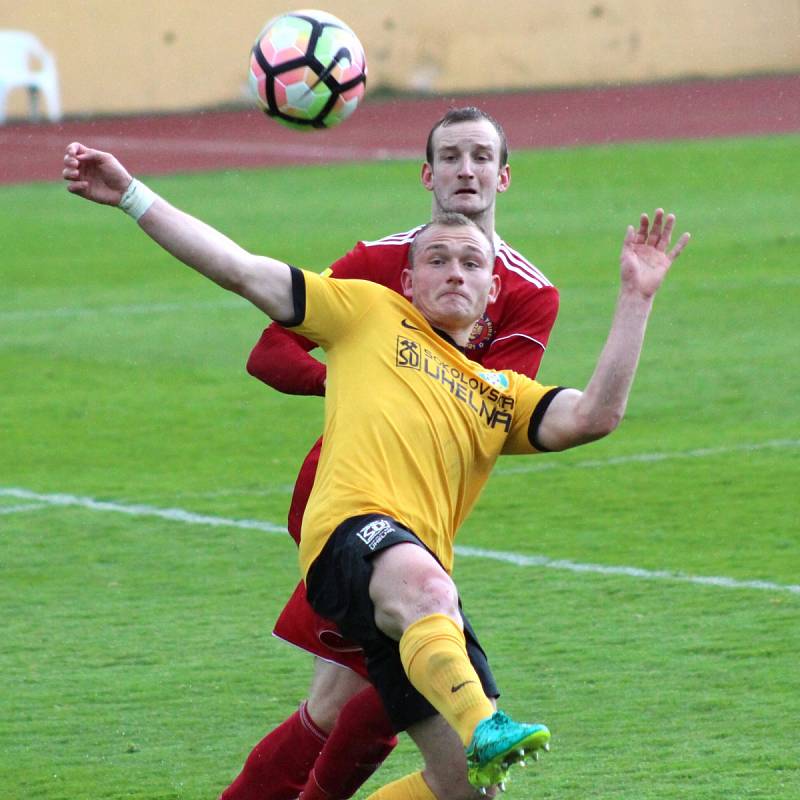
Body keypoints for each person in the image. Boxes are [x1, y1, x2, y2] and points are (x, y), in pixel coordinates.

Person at [63, 140, 690, 799]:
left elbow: (595, 415)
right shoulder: (367, 312)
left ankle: (476, 736)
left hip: (417, 590)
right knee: (424, 596)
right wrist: (133, 196)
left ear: (491, 289)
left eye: (471, 262)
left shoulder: (502, 393)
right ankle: (486, 722)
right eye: (437, 260)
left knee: (465, 788)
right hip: (352, 538)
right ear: (409, 281)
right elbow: (240, 269)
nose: (454, 271)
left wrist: (636, 298)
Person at [234, 107, 559, 800]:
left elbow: (494, 407)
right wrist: (359, 376)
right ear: (428, 175)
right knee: (374, 695)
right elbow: (270, 350)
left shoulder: (529, 293)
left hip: (429, 502)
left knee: (362, 695)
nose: (465, 170)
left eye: (479, 156)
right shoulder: (382, 263)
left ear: (503, 176)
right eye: (450, 157)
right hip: (351, 495)